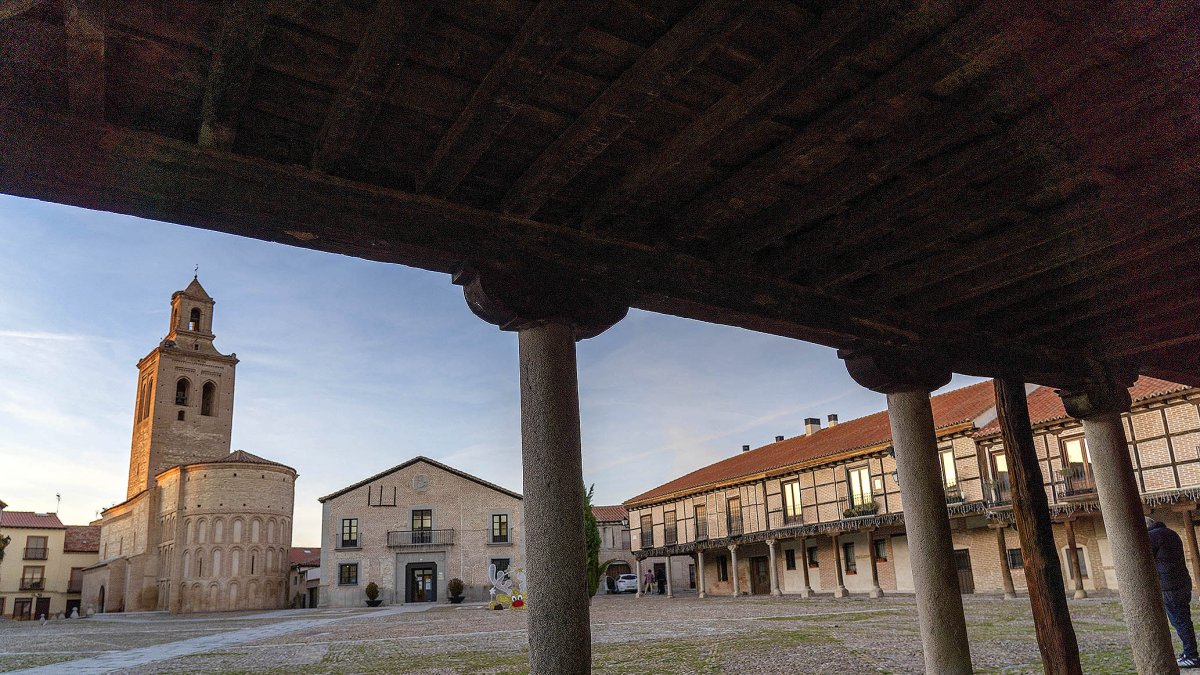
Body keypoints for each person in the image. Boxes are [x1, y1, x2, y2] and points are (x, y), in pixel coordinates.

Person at [1148, 516, 1200, 668]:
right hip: (1183, 582)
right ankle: (1189, 653)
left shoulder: (1152, 536)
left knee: (1179, 621)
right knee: (1184, 619)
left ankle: (1191, 655)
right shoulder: (1171, 533)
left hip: (1169, 586)